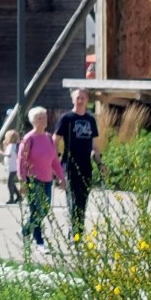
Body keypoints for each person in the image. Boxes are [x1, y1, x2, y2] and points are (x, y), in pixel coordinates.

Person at [18, 106, 66, 257]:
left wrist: (60, 177)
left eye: (44, 117)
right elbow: (21, 161)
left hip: (47, 180)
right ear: (33, 121)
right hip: (33, 180)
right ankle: (39, 242)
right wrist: (23, 182)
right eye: (40, 118)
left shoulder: (48, 138)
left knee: (44, 210)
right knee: (37, 210)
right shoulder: (28, 139)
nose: (43, 120)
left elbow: (54, 161)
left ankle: (25, 230)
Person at [54, 88, 102, 237]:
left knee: (83, 199)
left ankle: (78, 230)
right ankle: (75, 232)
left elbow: (94, 144)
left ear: (87, 100)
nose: (80, 100)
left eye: (83, 98)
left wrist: (100, 163)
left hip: (86, 165)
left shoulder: (90, 119)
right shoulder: (67, 118)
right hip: (70, 164)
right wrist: (55, 160)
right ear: (73, 100)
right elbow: (55, 139)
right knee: (73, 199)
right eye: (78, 98)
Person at [1, 129, 21, 205]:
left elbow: (8, 154)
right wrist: (4, 145)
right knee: (11, 182)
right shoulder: (14, 145)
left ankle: (11, 198)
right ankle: (19, 196)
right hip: (12, 167)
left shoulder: (11, 146)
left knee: (9, 183)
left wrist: (0, 153)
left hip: (12, 167)